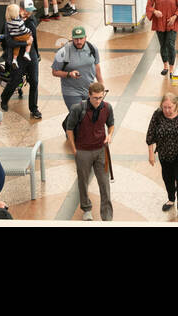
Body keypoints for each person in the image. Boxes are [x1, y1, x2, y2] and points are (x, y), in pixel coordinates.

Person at [63, 81, 115, 221]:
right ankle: (86, 209)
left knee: (104, 183)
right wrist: (74, 149)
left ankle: (107, 216)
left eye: (100, 97)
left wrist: (109, 135)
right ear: (89, 95)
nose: (98, 101)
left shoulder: (107, 107)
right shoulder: (78, 108)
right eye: (95, 98)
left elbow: (111, 124)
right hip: (83, 151)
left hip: (101, 151)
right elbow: (69, 129)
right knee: (83, 181)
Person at [146, 93, 178, 222]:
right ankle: (171, 199)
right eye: (165, 107)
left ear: (176, 105)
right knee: (167, 179)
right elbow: (150, 134)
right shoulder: (157, 114)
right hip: (164, 154)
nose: (167, 110)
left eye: (170, 107)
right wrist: (151, 154)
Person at [0, 0, 42, 119]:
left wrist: (37, 54)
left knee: (34, 81)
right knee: (15, 80)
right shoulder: (10, 22)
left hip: (31, 54)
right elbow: (7, 41)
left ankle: (34, 108)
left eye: (31, 11)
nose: (29, 13)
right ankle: (4, 98)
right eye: (27, 11)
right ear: (20, 9)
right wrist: (24, 44)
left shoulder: (31, 21)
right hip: (17, 56)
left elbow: (34, 40)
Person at [52, 25, 103, 111]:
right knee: (78, 116)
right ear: (72, 38)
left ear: (85, 38)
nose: (78, 41)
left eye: (81, 38)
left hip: (90, 90)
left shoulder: (92, 48)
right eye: (76, 39)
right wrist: (69, 74)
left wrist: (101, 84)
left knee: (91, 116)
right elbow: (55, 72)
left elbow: (96, 65)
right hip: (71, 91)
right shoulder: (63, 52)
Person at [148, 0, 178, 77]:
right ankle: (165, 66)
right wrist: (154, 11)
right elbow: (149, 6)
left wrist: (175, 16)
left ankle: (172, 68)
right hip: (159, 22)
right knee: (163, 45)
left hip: (172, 22)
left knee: (170, 44)